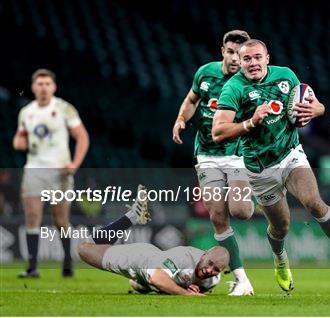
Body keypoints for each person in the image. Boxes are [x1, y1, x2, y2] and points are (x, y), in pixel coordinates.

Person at [212, 39, 330, 293]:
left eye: (257, 57)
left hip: (290, 155)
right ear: (241, 63)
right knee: (281, 227)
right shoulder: (234, 88)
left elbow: (316, 106)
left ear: (267, 58)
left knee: (314, 202)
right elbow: (219, 131)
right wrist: (251, 122)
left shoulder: (286, 76)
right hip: (259, 168)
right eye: (247, 59)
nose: (253, 63)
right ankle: (280, 259)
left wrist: (315, 111)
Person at [171, 30, 254, 296]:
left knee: (240, 211)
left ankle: (259, 191)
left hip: (237, 155)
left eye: (239, 55)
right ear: (223, 51)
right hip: (207, 155)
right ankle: (242, 281)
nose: (233, 58)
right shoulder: (205, 73)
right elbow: (192, 99)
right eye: (230, 52)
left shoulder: (249, 82)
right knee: (218, 218)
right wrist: (181, 118)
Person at [78, 185, 228, 295]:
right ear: (204, 254)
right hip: (140, 259)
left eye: (216, 270)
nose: (210, 270)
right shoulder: (185, 256)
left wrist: (189, 288)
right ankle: (132, 217)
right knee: (85, 248)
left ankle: (139, 283)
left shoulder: (212, 281)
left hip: (153, 266)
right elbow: (157, 279)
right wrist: (186, 294)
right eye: (210, 264)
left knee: (142, 285)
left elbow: (185, 285)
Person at [13, 69, 89, 278]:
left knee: (60, 221)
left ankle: (67, 260)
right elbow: (19, 139)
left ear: (53, 87)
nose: (44, 87)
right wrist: (21, 143)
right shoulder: (26, 112)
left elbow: (82, 137)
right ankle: (32, 267)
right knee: (32, 217)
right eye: (40, 84)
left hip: (59, 172)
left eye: (47, 84)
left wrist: (75, 164)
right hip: (34, 170)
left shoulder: (64, 108)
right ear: (33, 87)